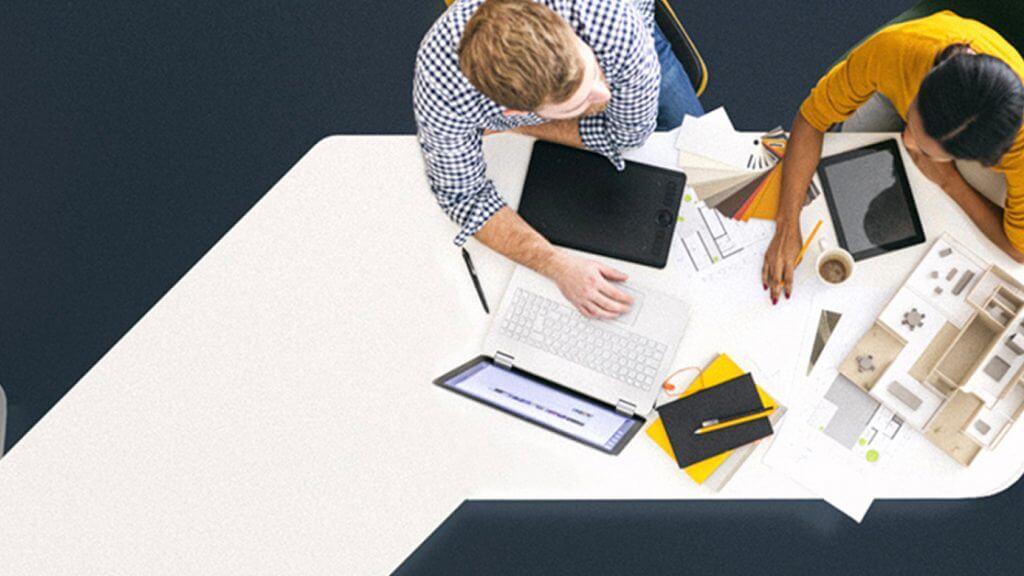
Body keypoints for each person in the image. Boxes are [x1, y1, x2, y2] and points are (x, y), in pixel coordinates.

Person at [414, 0, 703, 319]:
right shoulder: (441, 88)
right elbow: (464, 198)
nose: (604, 93)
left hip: (628, 31)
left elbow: (628, 135)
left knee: (701, 153)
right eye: (578, 101)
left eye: (591, 70)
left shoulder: (609, 19)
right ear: (517, 111)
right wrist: (556, 265)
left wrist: (519, 127)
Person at [762, 11, 1024, 304]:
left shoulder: (1019, 154)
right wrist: (787, 223)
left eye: (925, 148)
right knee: (844, 162)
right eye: (911, 119)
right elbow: (813, 118)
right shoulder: (897, 48)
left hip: (994, 157)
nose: (905, 141)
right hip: (903, 77)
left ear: (985, 158)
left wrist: (950, 181)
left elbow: (1018, 250)